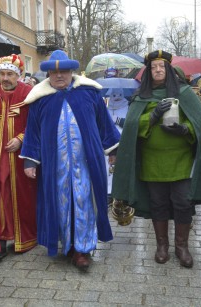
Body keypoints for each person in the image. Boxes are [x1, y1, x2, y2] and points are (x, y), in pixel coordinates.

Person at [112, 50, 201, 268]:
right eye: (153, 67)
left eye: (162, 67)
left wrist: (184, 130)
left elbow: (200, 123)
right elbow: (131, 127)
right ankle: (161, 246)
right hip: (152, 162)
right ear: (148, 72)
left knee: (182, 202)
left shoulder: (185, 92)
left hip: (181, 161)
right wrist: (153, 116)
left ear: (168, 70)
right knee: (158, 203)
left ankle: (182, 247)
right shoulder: (142, 96)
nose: (158, 70)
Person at [20, 50, 120, 270]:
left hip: (87, 163)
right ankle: (68, 245)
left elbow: (105, 124)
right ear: (48, 75)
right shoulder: (40, 99)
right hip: (54, 166)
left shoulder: (88, 93)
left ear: (71, 71)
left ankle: (82, 249)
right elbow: (33, 133)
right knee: (61, 203)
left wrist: (113, 150)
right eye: (54, 72)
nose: (59, 76)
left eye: (63, 71)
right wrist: (30, 161)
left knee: (84, 200)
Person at [0, 54, 37, 260]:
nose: (5, 78)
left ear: (18, 75)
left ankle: (25, 237)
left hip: (21, 156)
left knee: (22, 196)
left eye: (10, 74)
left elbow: (37, 124)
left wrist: (22, 138)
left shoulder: (29, 94)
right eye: (2, 73)